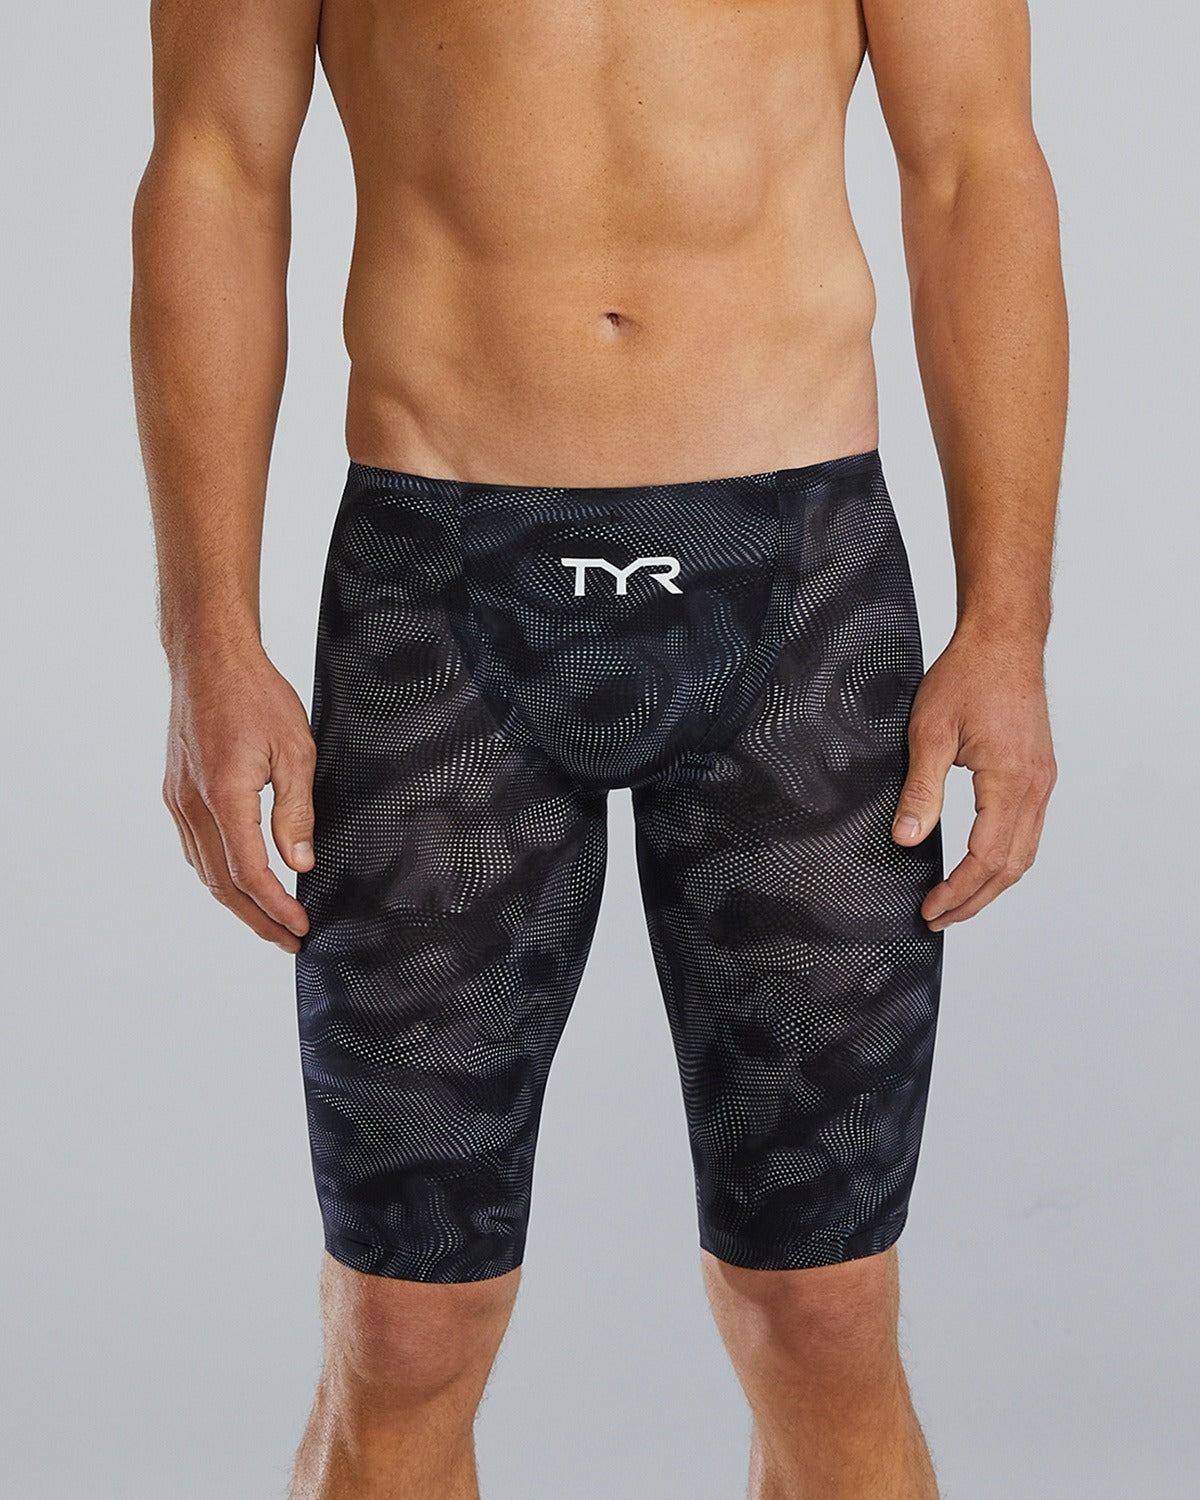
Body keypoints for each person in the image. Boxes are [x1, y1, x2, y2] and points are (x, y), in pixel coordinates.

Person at [130, 0, 1065, 1494]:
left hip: (798, 599)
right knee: (405, 1326)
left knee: (826, 1312)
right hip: (440, 595)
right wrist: (205, 641)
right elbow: (214, 167)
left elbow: (975, 166)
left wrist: (1007, 625)